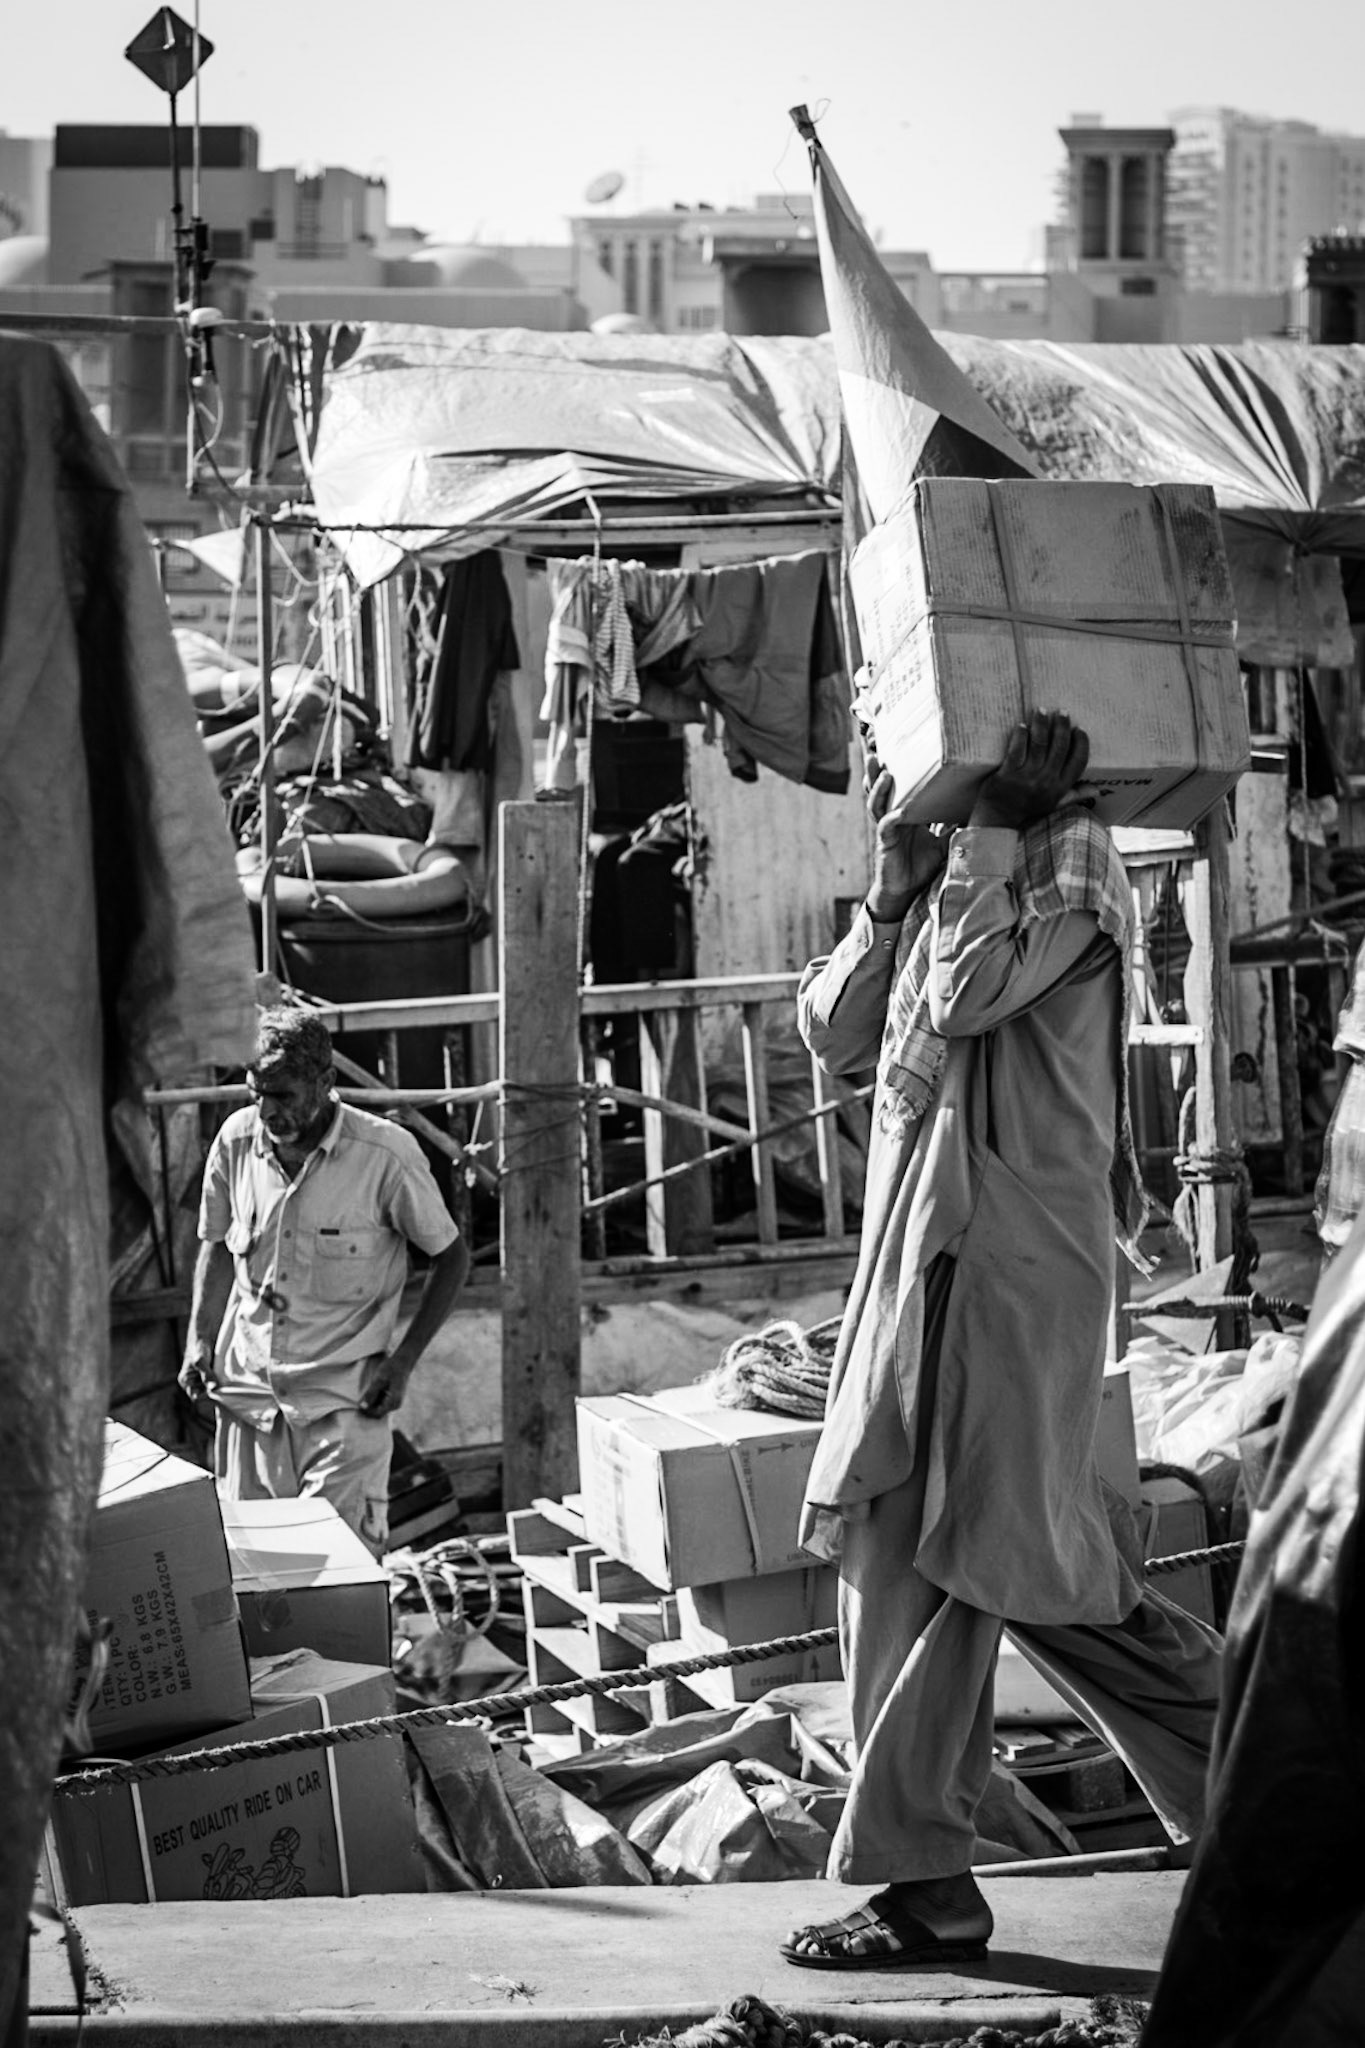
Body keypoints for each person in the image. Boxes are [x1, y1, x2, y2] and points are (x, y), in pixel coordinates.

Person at [782, 710, 1223, 1971]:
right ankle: (1281, 1786)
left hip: (1016, 1277)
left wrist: (984, 832)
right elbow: (836, 1028)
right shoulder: (959, 876)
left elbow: (967, 994)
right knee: (1001, 1570)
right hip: (926, 1273)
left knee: (973, 1563)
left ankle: (929, 1886)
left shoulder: (1072, 870)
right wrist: (889, 893)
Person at [179, 1006, 470, 1555]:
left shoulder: (386, 1155)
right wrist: (199, 1339)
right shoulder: (236, 1140)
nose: (267, 1110)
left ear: (326, 1083)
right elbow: (216, 1244)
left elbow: (451, 1258)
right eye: (256, 1093)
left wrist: (403, 1361)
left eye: (283, 1095)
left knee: (339, 1582)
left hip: (342, 1406)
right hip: (248, 1403)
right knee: (256, 1582)